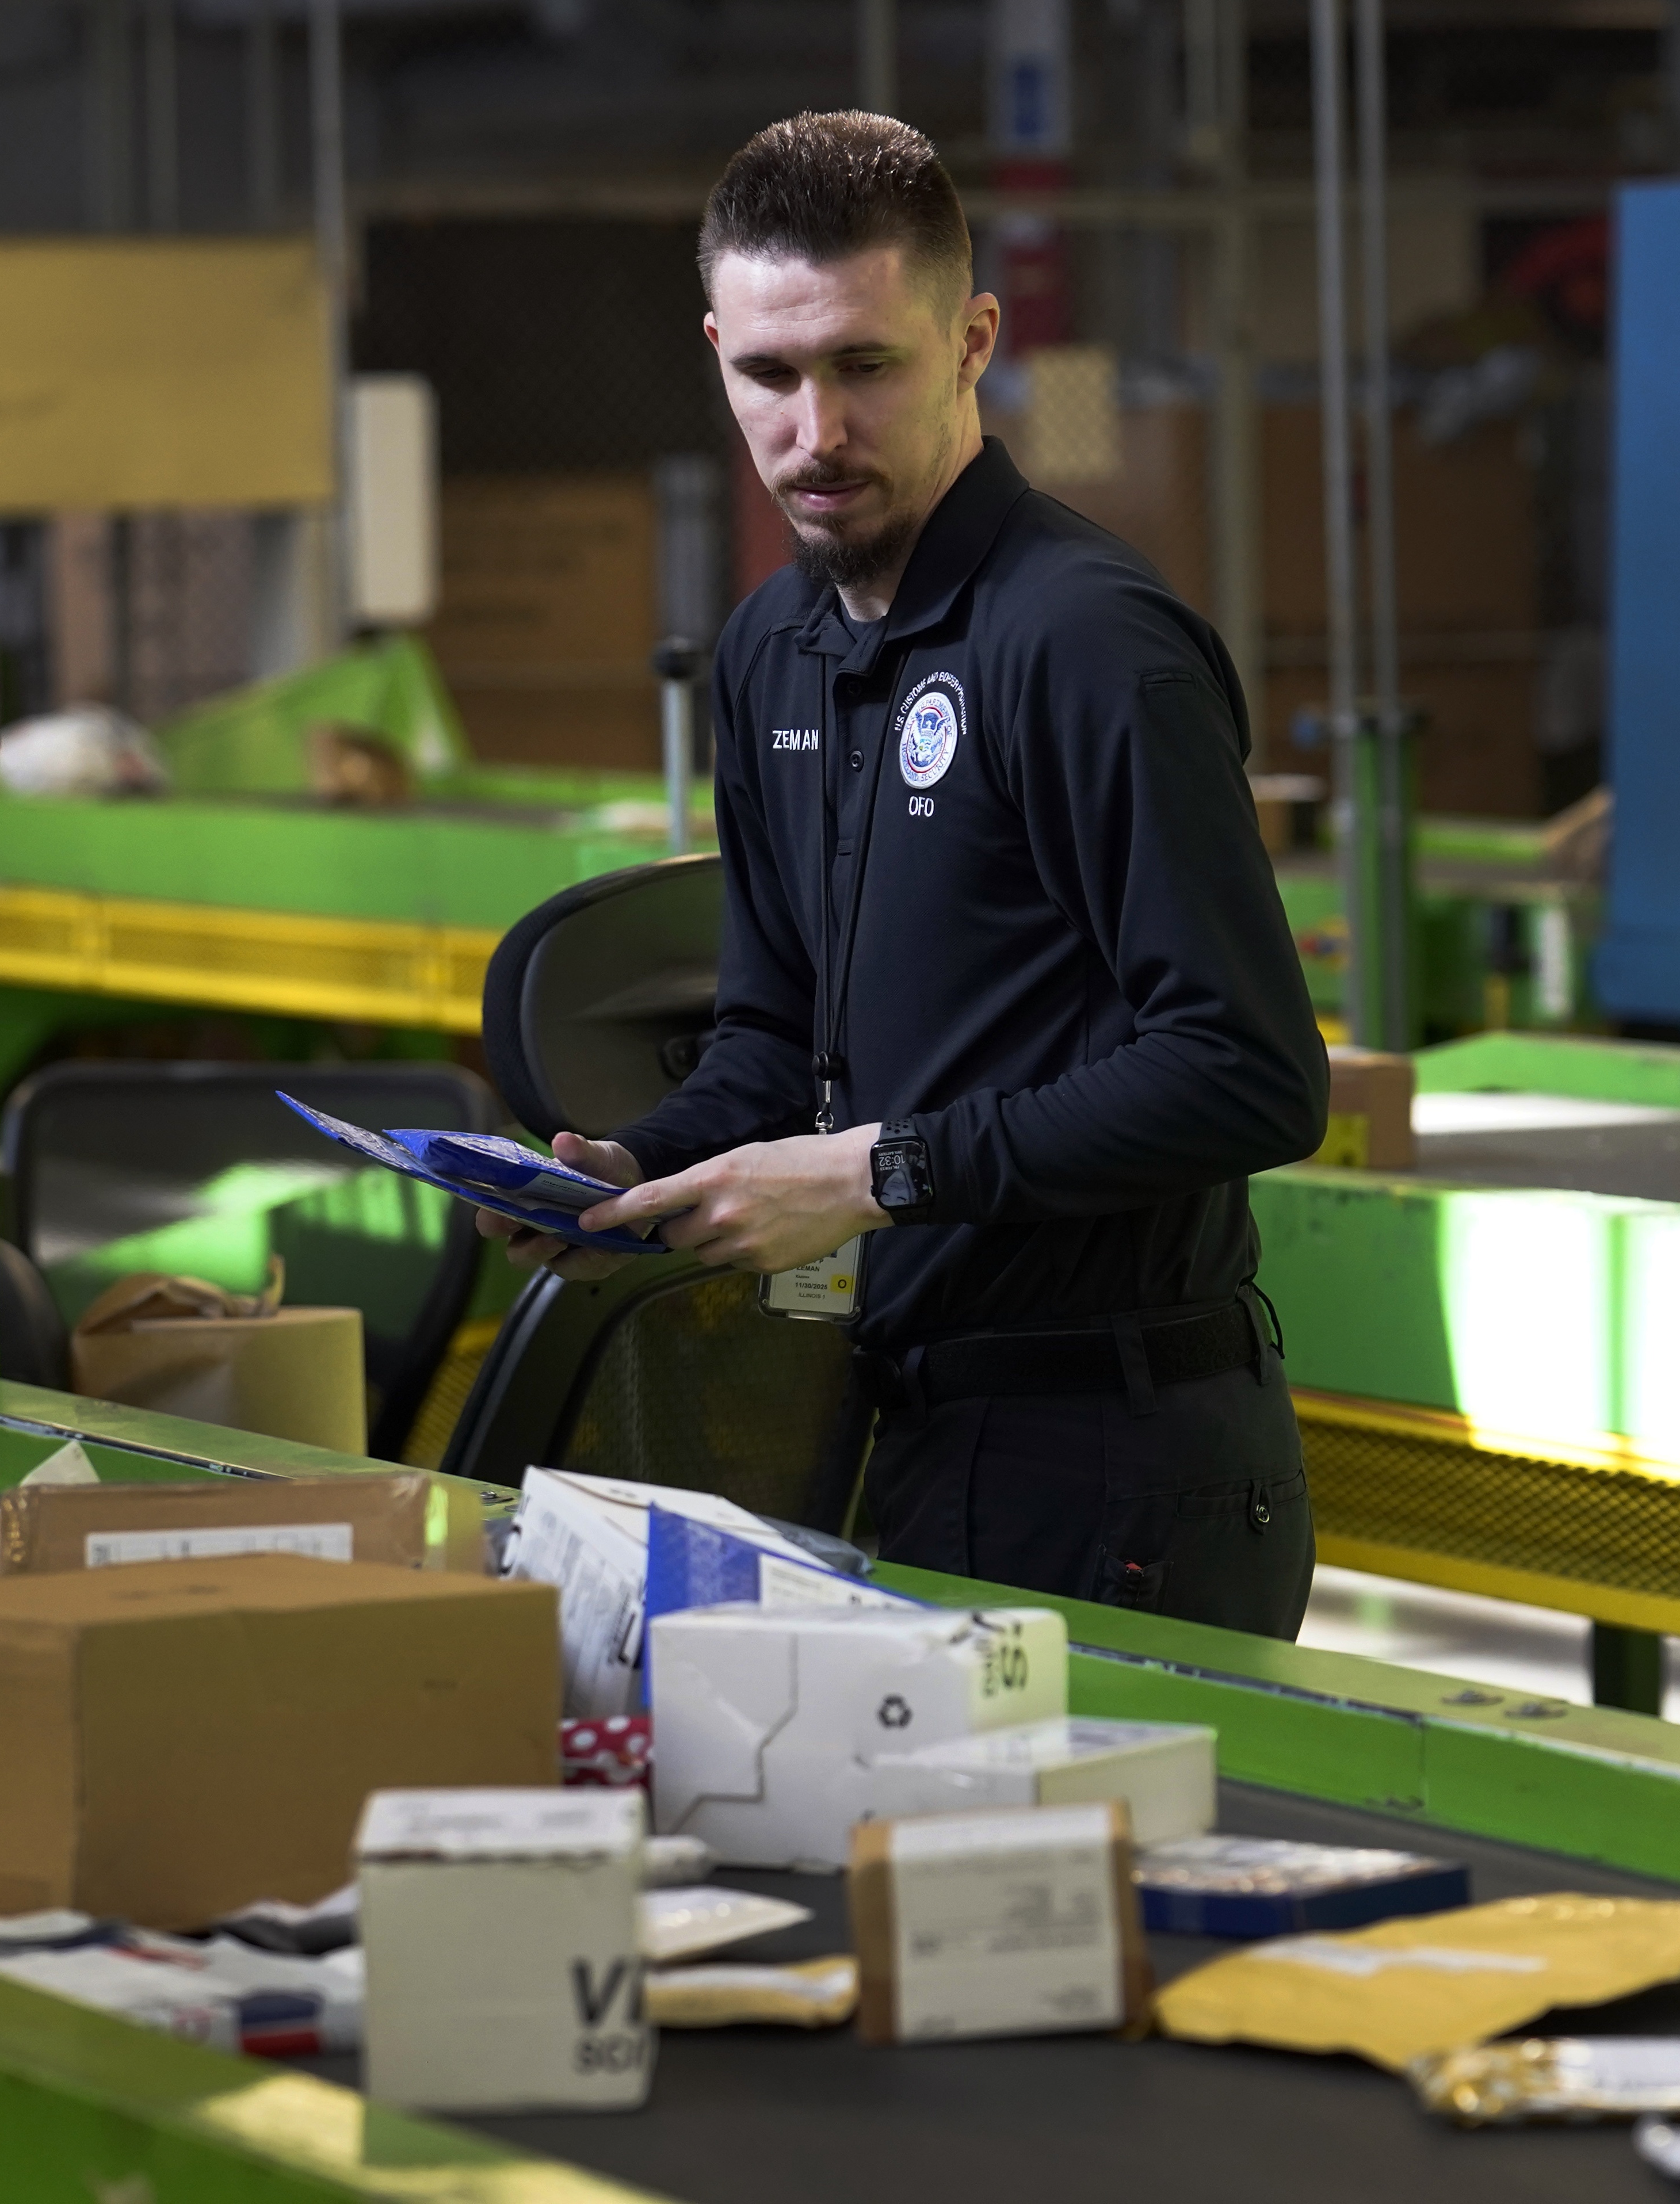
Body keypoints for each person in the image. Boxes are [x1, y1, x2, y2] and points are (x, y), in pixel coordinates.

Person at [477, 111, 1329, 1638]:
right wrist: (635, 1170)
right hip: (903, 1423)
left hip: (1124, 1464)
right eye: (769, 375)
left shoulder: (1082, 644)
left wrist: (873, 1175)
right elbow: (770, 1034)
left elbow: (1250, 1074)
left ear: (971, 344)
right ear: (717, 353)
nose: (814, 432)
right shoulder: (771, 652)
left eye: (864, 367)